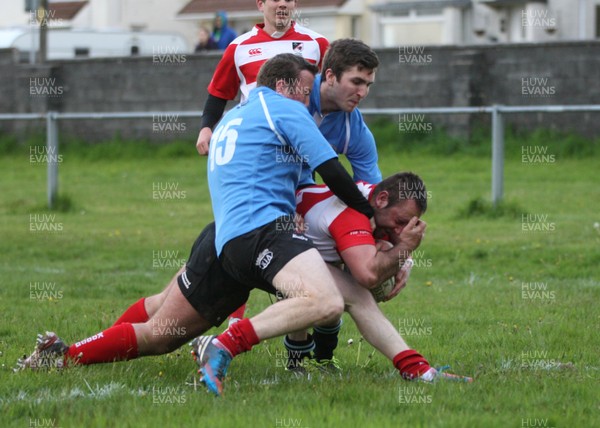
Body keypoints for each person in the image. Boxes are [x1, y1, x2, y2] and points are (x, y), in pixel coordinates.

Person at [195, 0, 329, 156]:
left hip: (301, 143)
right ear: (260, 4)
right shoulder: (238, 47)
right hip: (254, 141)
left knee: (304, 180)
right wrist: (206, 128)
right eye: (276, 0)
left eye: (288, 0)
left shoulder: (317, 43)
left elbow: (331, 90)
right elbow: (218, 94)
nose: (283, 4)